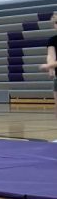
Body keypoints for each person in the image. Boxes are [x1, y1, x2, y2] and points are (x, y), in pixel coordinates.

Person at [38, 12, 57, 141]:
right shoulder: (53, 40)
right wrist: (51, 66)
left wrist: (50, 66)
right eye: (56, 23)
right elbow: (51, 54)